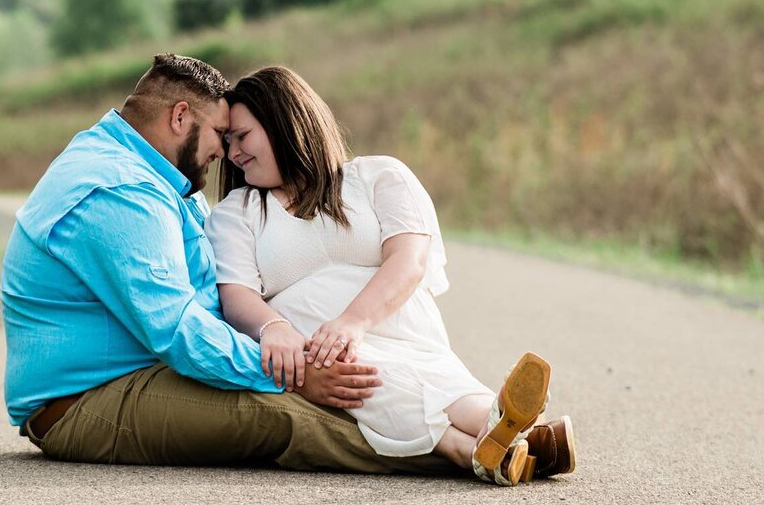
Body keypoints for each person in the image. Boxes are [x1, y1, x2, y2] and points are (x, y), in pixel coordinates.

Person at [2, 54, 456, 474]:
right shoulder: (118, 189)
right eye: (221, 136)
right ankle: (462, 454)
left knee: (314, 388)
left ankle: (484, 430)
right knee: (279, 413)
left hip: (144, 370)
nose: (225, 154)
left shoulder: (152, 177)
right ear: (180, 117)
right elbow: (177, 329)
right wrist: (292, 370)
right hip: (87, 400)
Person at [205, 66, 577, 485]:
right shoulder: (236, 213)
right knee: (365, 378)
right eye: (227, 142)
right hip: (318, 350)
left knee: (430, 376)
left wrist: (353, 322)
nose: (232, 153)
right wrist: (273, 326)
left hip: (396, 329)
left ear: (283, 120)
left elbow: (409, 259)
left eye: (242, 136)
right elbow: (236, 294)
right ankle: (506, 432)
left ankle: (491, 439)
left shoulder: (378, 176)